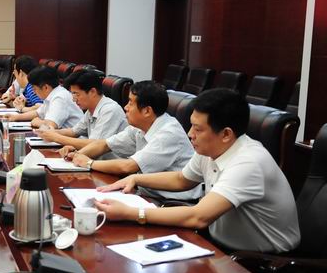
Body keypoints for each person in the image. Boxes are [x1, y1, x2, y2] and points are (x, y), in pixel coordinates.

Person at [95, 89, 300, 253]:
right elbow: (181, 179)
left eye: (198, 129)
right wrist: (136, 179)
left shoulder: (249, 162)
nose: (190, 134)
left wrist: (130, 213)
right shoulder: (212, 147)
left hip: (262, 263)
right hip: (217, 244)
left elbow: (198, 217)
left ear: (226, 134)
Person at [69, 80, 199, 201]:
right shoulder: (139, 127)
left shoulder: (168, 133)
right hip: (146, 193)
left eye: (130, 103)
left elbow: (128, 166)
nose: (126, 107)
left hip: (173, 202)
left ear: (147, 111)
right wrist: (77, 155)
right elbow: (104, 144)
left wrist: (89, 163)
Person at [37, 69, 127, 155]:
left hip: (111, 163)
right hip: (94, 160)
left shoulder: (110, 110)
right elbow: (74, 132)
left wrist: (56, 137)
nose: (74, 99)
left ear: (92, 92)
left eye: (76, 94)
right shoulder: (91, 110)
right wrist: (49, 133)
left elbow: (94, 145)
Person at [6, 65, 83, 129]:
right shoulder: (52, 95)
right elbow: (37, 113)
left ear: (45, 87)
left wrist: (38, 122)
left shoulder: (60, 97)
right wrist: (15, 117)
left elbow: (50, 126)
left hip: (75, 140)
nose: (33, 92)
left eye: (34, 89)